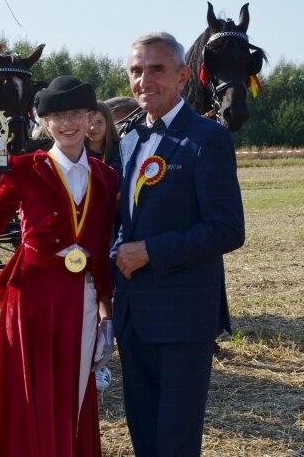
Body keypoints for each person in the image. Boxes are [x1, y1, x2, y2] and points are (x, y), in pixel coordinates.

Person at [0, 76, 119, 456]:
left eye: (75, 114)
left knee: (71, 394)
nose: (67, 123)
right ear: (44, 123)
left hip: (80, 302)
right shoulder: (22, 168)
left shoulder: (107, 178)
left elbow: (100, 251)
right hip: (31, 299)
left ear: (90, 118)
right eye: (57, 116)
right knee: (26, 398)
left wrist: (106, 315)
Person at [111, 32, 245, 456]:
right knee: (144, 437)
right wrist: (119, 247)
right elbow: (126, 221)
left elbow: (227, 229)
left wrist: (151, 251)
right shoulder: (129, 140)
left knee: (175, 440)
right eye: (136, 71)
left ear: (183, 76)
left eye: (156, 70)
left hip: (183, 317)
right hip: (133, 314)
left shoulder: (208, 138)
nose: (144, 80)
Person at [84, 99, 121, 392]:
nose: (94, 127)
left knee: (106, 295)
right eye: (91, 122)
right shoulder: (74, 154)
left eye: (100, 122)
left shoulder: (118, 155)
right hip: (83, 233)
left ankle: (102, 363)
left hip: (111, 231)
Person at [86, 100, 121, 174]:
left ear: (108, 123)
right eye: (89, 122)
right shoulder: (76, 153)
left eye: (99, 122)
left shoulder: (121, 151)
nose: (93, 127)